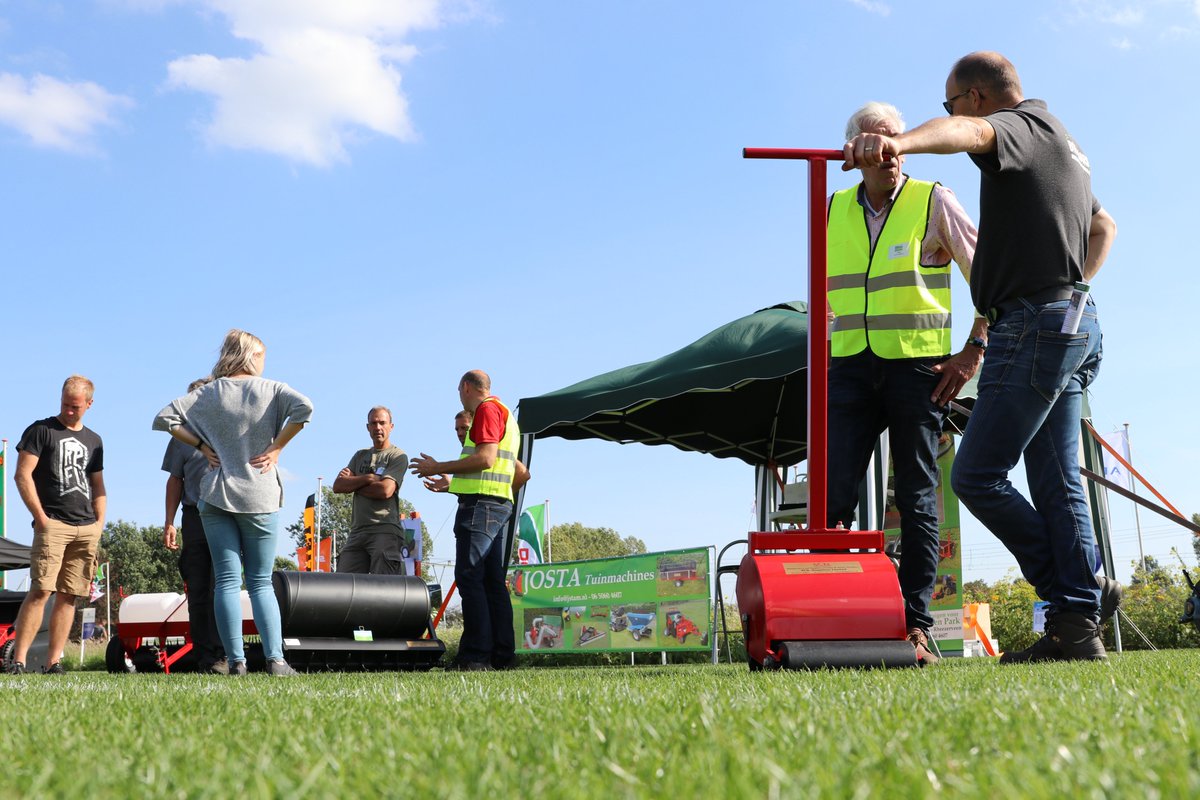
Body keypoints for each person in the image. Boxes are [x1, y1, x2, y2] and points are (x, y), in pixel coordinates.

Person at [843, 52, 1119, 662]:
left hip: (1033, 325)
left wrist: (897, 144)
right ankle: (1077, 625)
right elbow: (1104, 226)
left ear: (974, 97)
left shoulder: (1017, 127)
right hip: (1071, 322)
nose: (953, 114)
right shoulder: (1064, 142)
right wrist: (1073, 289)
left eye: (949, 104)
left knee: (976, 475)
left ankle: (1077, 590)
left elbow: (969, 133)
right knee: (1057, 479)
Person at [825, 101, 982, 667]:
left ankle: (915, 626)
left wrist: (974, 349)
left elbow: (987, 273)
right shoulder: (832, 207)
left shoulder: (933, 199)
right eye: (877, 140)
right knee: (832, 497)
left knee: (915, 496)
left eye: (896, 138)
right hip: (848, 366)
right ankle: (834, 619)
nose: (889, 150)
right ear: (855, 151)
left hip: (919, 370)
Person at [154, 330, 312, 676]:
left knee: (226, 581)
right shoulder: (272, 389)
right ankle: (275, 660)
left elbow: (164, 418)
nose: (264, 362)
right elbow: (305, 408)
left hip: (215, 495)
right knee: (260, 582)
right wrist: (277, 447)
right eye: (262, 355)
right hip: (259, 493)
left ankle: (236, 661)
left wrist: (200, 446)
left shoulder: (208, 392)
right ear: (251, 356)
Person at [411, 370, 521, 671]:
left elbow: (485, 458)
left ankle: (476, 656)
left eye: (459, 391)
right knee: (492, 583)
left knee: (470, 578)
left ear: (467, 387)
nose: (460, 396)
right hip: (498, 504)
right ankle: (502, 656)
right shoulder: (506, 413)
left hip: (481, 507)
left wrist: (437, 466)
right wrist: (454, 484)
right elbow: (514, 470)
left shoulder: (486, 409)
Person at [5, 376, 106, 675]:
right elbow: (22, 475)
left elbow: (98, 485)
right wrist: (41, 518)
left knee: (69, 595)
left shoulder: (94, 440)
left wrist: (99, 523)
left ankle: (54, 662)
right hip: (52, 524)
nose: (69, 411)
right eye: (65, 404)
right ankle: (18, 661)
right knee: (41, 591)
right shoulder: (41, 431)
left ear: (89, 404)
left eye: (75, 406)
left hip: (86, 527)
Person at [161, 376, 227, 674]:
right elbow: (175, 480)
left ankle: (227, 654)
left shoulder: (228, 431)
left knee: (222, 587)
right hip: (194, 518)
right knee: (198, 590)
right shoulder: (180, 438)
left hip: (226, 515)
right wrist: (169, 522)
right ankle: (205, 658)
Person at [332, 406, 410, 575]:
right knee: (343, 583)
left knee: (383, 586)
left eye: (382, 423)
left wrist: (353, 484)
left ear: (391, 426)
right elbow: (338, 486)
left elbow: (385, 491)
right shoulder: (359, 455)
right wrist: (368, 478)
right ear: (367, 427)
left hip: (385, 530)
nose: (378, 427)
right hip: (357, 531)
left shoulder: (397, 456)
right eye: (373, 423)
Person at [422, 409, 530, 495]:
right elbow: (474, 492)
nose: (460, 433)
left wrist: (500, 501)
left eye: (464, 428)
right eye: (457, 429)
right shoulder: (469, 451)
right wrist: (452, 486)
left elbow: (523, 473)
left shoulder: (487, 449)